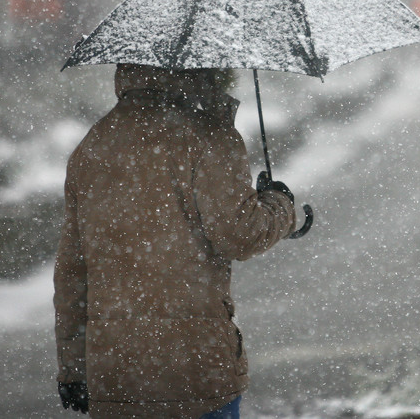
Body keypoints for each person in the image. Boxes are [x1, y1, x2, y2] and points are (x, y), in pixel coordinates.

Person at [54, 64, 297, 418]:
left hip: (116, 377)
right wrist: (280, 206)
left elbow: (72, 274)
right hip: (196, 373)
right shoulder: (208, 137)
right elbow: (241, 235)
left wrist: (74, 368)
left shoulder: (92, 145)